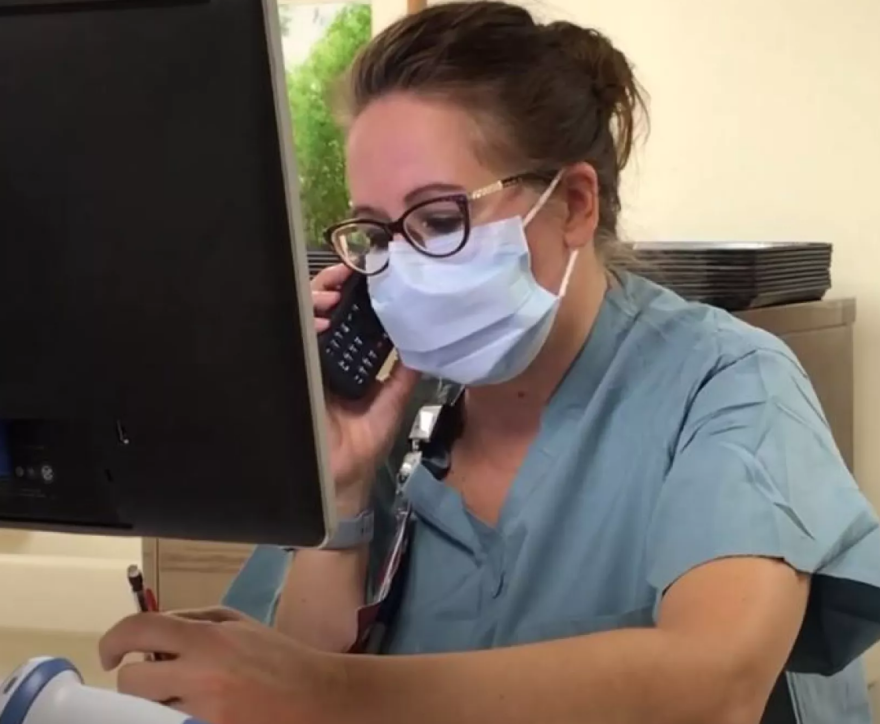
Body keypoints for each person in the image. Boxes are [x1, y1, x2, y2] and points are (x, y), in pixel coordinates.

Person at [98, 2, 880, 723]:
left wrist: (325, 691)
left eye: (438, 219)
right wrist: (340, 486)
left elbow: (715, 684)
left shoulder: (727, 383)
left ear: (574, 205)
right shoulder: (396, 408)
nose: (399, 266)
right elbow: (299, 670)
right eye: (375, 232)